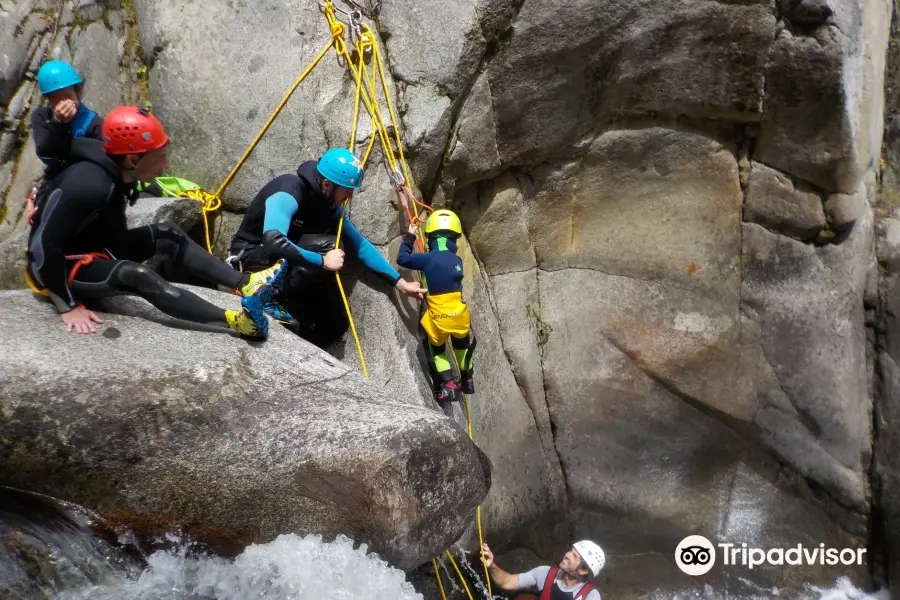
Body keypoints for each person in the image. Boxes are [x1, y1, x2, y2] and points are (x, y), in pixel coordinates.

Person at [25, 105, 286, 338]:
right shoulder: (90, 185)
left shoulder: (113, 165)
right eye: (159, 157)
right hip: (60, 270)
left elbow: (59, 147)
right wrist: (67, 306)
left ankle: (246, 283)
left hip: (98, 245)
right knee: (138, 276)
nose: (165, 165)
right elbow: (42, 248)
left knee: (167, 233)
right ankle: (238, 322)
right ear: (132, 159)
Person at [227, 147, 426, 345]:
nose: (348, 198)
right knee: (330, 246)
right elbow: (273, 241)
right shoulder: (290, 189)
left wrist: (401, 284)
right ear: (326, 184)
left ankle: (295, 314)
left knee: (335, 322)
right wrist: (323, 261)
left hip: (281, 263)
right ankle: (267, 296)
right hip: (251, 258)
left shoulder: (328, 205)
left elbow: (360, 246)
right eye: (346, 192)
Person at [396, 204, 475, 403]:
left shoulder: (427, 259)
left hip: (439, 319)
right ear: (454, 239)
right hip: (459, 315)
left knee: (437, 348)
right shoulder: (456, 260)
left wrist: (410, 237)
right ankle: (467, 380)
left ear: (431, 237)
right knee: (462, 346)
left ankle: (448, 386)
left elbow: (402, 259)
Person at [31, 60, 103, 172]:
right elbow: (46, 155)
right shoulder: (41, 116)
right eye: (56, 98)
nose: (64, 102)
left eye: (68, 96)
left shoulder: (95, 123)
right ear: (49, 100)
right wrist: (58, 123)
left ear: (77, 92)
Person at [480, 540, 605, 600]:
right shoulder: (545, 573)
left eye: (574, 556)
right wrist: (491, 565)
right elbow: (507, 582)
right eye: (570, 551)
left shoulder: (590, 596)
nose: (567, 554)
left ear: (583, 570)